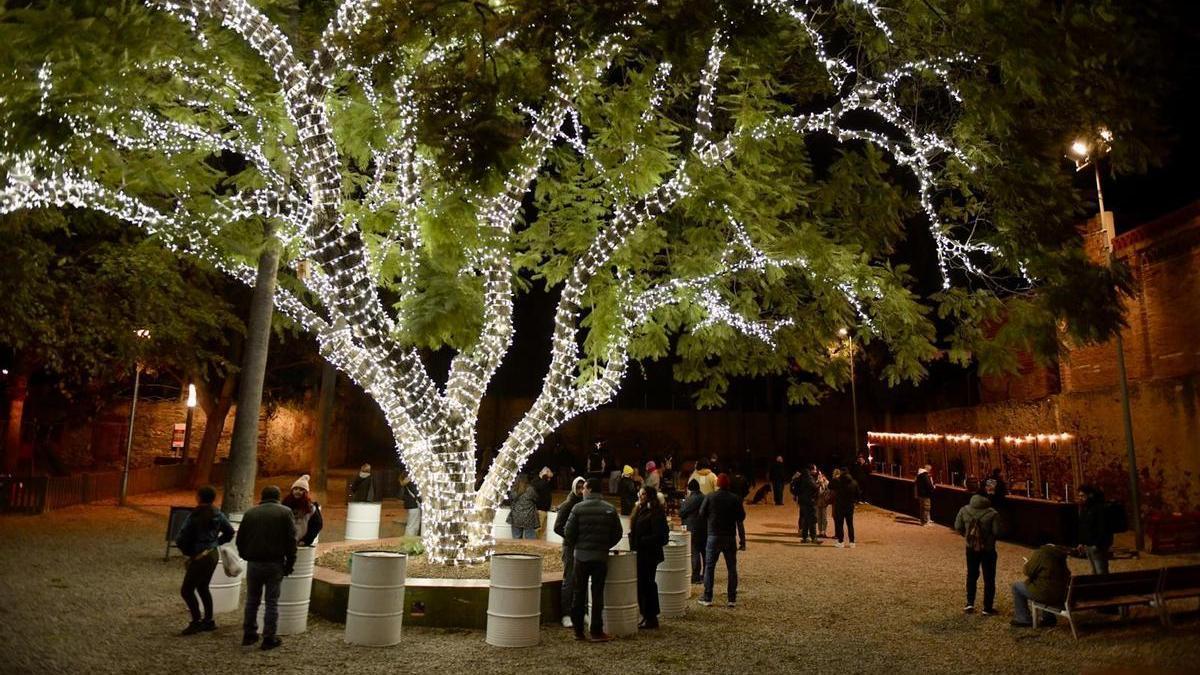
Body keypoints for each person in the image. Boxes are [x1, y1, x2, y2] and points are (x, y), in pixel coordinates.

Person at [563, 478, 624, 642]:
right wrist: (604, 545)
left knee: (578, 593)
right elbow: (618, 533)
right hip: (600, 558)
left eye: (584, 488)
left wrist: (579, 545)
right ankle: (596, 631)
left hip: (581, 557)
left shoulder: (577, 508)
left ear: (589, 489)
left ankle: (578, 631)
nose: (582, 491)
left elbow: (568, 533)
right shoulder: (610, 509)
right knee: (597, 595)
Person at [236, 486, 297, 650]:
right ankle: (269, 637)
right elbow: (291, 540)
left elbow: (240, 538)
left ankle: (249, 634)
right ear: (278, 497)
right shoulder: (285, 512)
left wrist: (245, 555)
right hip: (275, 562)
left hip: (254, 563)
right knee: (271, 602)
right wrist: (290, 562)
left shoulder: (250, 513)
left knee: (252, 600)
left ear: (262, 496)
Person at [175, 485, 235, 635]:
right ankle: (208, 620)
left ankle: (196, 621)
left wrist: (188, 553)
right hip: (212, 554)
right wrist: (216, 543)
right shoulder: (218, 514)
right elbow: (229, 532)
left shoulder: (194, 515)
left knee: (187, 590)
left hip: (199, 555)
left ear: (199, 497)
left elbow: (181, 537)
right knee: (203, 587)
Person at [698, 473, 746, 608]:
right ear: (728, 484)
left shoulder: (710, 497)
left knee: (709, 567)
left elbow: (701, 514)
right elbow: (741, 517)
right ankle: (731, 598)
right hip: (729, 536)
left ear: (717, 484)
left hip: (713, 535)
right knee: (731, 568)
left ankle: (708, 597)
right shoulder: (735, 498)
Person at [629, 486, 670, 629]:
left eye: (644, 494)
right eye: (640, 494)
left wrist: (642, 541)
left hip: (649, 555)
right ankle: (646, 615)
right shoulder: (640, 509)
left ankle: (651, 616)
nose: (641, 496)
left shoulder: (656, 512)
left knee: (647, 585)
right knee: (642, 585)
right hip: (639, 554)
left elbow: (661, 536)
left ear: (650, 496)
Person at [954, 493, 1001, 614]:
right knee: (989, 578)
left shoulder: (964, 510)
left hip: (971, 548)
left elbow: (957, 526)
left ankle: (970, 603)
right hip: (988, 549)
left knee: (971, 575)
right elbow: (997, 531)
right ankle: (987, 607)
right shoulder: (992, 513)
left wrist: (968, 537)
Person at [1010, 537, 1071, 628]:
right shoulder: (1061, 554)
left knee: (1016, 587)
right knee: (1048, 582)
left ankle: (1023, 618)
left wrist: (1026, 564)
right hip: (1061, 593)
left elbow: (1029, 571)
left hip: (1046, 593)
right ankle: (1048, 617)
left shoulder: (1041, 553)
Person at [554, 477, 586, 627]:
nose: (580, 490)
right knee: (569, 579)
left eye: (582, 487)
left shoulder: (585, 504)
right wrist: (571, 537)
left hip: (582, 547)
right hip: (570, 547)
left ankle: (580, 611)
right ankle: (566, 613)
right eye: (578, 487)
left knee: (582, 579)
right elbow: (558, 526)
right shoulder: (568, 505)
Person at [1075, 485, 1112, 574]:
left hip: (1097, 545)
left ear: (1090, 495)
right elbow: (1083, 526)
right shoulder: (1085, 508)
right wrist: (1081, 542)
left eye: (1082, 496)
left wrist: (1097, 544)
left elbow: (1102, 528)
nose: (1080, 498)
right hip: (1089, 544)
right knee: (1095, 570)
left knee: (1101, 570)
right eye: (1079, 496)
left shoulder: (1099, 508)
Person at [678, 479, 707, 583]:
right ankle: (706, 574)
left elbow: (681, 512)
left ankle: (695, 576)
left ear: (689, 489)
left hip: (693, 528)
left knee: (695, 551)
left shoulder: (690, 499)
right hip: (704, 528)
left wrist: (682, 503)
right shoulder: (704, 497)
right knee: (705, 552)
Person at [282, 474, 323, 545]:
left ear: (305, 493)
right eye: (295, 489)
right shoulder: (284, 505)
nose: (297, 491)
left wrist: (306, 540)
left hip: (301, 543)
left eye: (301, 490)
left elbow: (317, 525)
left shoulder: (311, 508)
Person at [831, 467, 860, 548]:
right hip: (850, 506)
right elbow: (858, 495)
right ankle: (852, 542)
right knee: (850, 524)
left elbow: (830, 486)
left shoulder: (838, 481)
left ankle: (841, 542)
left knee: (840, 524)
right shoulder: (854, 482)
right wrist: (855, 502)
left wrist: (835, 478)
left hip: (840, 506)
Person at [794, 465, 820, 544]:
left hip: (802, 501)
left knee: (805, 519)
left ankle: (805, 537)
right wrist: (820, 482)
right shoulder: (809, 478)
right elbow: (815, 487)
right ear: (811, 470)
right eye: (815, 470)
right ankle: (814, 538)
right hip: (809, 501)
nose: (816, 471)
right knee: (812, 519)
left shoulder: (801, 476)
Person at [531, 467, 555, 534]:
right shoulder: (541, 483)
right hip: (540, 510)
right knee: (538, 531)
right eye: (549, 478)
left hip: (540, 509)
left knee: (539, 531)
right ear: (545, 473)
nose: (549, 479)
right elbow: (544, 497)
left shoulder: (535, 482)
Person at [814, 469, 831, 538]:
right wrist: (818, 485)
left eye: (821, 476)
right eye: (818, 476)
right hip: (818, 503)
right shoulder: (816, 483)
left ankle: (824, 531)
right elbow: (815, 493)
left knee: (824, 518)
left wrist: (823, 485)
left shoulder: (827, 483)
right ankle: (820, 531)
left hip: (824, 503)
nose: (819, 477)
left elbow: (828, 492)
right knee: (818, 517)